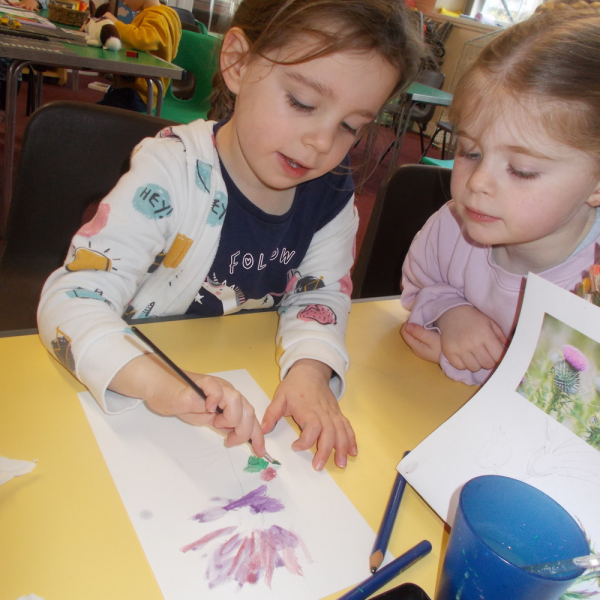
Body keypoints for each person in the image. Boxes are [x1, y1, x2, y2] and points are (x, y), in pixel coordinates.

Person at [38, 0, 423, 470]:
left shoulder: (331, 193)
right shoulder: (171, 171)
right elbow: (71, 299)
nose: (322, 143)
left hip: (240, 374)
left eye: (350, 126)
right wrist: (160, 381)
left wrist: (310, 368)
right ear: (238, 62)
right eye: (302, 103)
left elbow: (319, 294)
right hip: (130, 392)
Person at [400, 6, 600, 386]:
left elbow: (574, 400)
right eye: (469, 152)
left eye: (521, 170)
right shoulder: (452, 227)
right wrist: (450, 310)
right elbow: (417, 286)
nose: (477, 183)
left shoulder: (592, 284)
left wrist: (469, 363)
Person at [96, 0, 181, 113]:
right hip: (132, 89)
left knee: (92, 116)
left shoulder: (157, 16)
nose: (124, 3)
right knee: (96, 111)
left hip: (137, 93)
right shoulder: (151, 14)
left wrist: (116, 24)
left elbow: (143, 39)